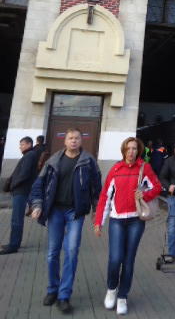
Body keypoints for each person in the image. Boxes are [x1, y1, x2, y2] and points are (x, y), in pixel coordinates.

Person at [30, 127, 102, 314]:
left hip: (75, 213)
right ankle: (52, 290)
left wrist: (97, 212)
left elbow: (97, 188)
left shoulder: (88, 161)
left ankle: (64, 295)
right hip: (55, 211)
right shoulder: (53, 160)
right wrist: (37, 205)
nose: (73, 141)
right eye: (70, 138)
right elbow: (39, 185)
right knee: (52, 253)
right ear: (65, 141)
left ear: (81, 140)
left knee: (71, 251)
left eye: (77, 138)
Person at [94, 137, 161, 316]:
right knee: (115, 258)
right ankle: (111, 289)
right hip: (116, 220)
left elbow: (157, 187)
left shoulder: (144, 168)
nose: (131, 152)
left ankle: (122, 296)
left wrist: (144, 194)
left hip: (136, 220)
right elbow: (105, 196)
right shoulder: (116, 169)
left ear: (138, 151)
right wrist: (99, 221)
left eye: (134, 149)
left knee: (128, 260)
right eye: (128, 148)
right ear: (123, 150)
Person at [0, 136, 38, 255]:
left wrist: (13, 185)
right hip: (20, 190)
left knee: (16, 219)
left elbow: (24, 174)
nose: (20, 147)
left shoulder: (30, 155)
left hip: (21, 191)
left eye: (22, 144)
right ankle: (14, 242)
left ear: (29, 144)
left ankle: (13, 245)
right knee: (16, 218)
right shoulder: (28, 155)